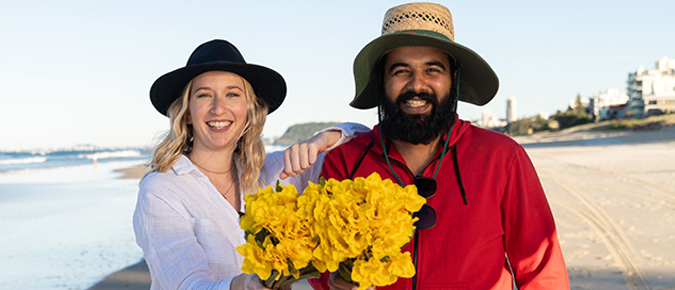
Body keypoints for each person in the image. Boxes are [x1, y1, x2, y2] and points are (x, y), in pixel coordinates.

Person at [310, 3, 569, 290]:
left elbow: (543, 271)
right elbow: (321, 267)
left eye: (432, 70)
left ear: (453, 79)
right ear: (381, 82)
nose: (416, 85)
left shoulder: (502, 157)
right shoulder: (345, 163)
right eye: (400, 71)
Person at [133, 39, 367, 290]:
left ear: (249, 109)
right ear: (187, 112)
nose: (218, 108)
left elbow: (362, 137)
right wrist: (248, 284)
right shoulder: (162, 189)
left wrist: (321, 140)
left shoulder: (276, 171)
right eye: (204, 95)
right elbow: (187, 285)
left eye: (232, 94)